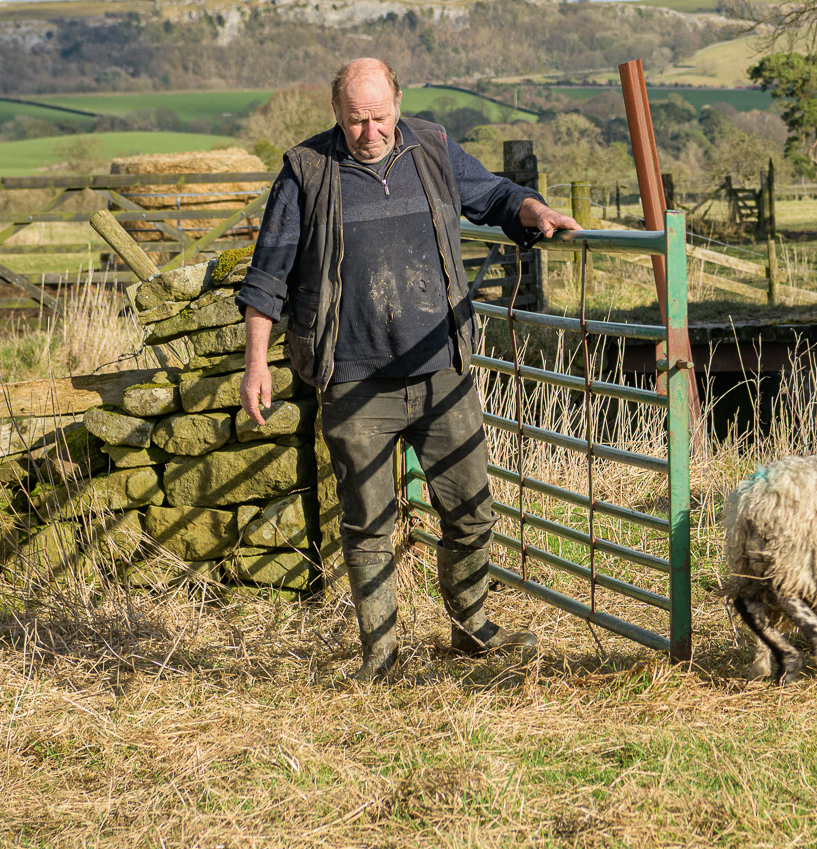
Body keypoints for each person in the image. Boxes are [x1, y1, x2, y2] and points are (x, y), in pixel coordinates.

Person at [234, 58, 580, 681]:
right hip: (353, 378)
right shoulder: (306, 170)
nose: (370, 132)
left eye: (379, 117)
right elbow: (267, 276)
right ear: (336, 113)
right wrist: (256, 363)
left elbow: (494, 195)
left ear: (398, 101)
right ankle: (381, 656)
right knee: (368, 522)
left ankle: (472, 627)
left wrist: (535, 211)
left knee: (472, 510)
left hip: (441, 370)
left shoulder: (432, 148)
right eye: (356, 120)